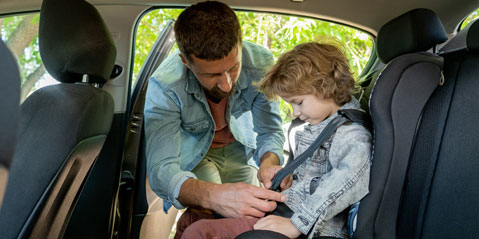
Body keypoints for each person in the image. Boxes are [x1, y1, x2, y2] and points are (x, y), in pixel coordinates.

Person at [181, 42, 372, 239]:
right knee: (192, 219)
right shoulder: (323, 123)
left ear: (325, 87)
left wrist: (297, 224)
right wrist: (289, 176)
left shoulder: (350, 133)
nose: (295, 113)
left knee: (199, 231)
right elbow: (316, 176)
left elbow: (347, 181)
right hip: (287, 208)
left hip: (306, 225)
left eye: (298, 103)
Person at [143, 1, 286, 237]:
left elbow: (270, 131)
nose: (227, 84)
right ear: (186, 62)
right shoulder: (165, 85)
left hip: (241, 151)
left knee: (250, 218)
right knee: (211, 215)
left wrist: (269, 162)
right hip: (197, 156)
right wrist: (214, 196)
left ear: (240, 44)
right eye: (212, 75)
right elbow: (161, 169)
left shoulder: (261, 64)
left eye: (234, 68)